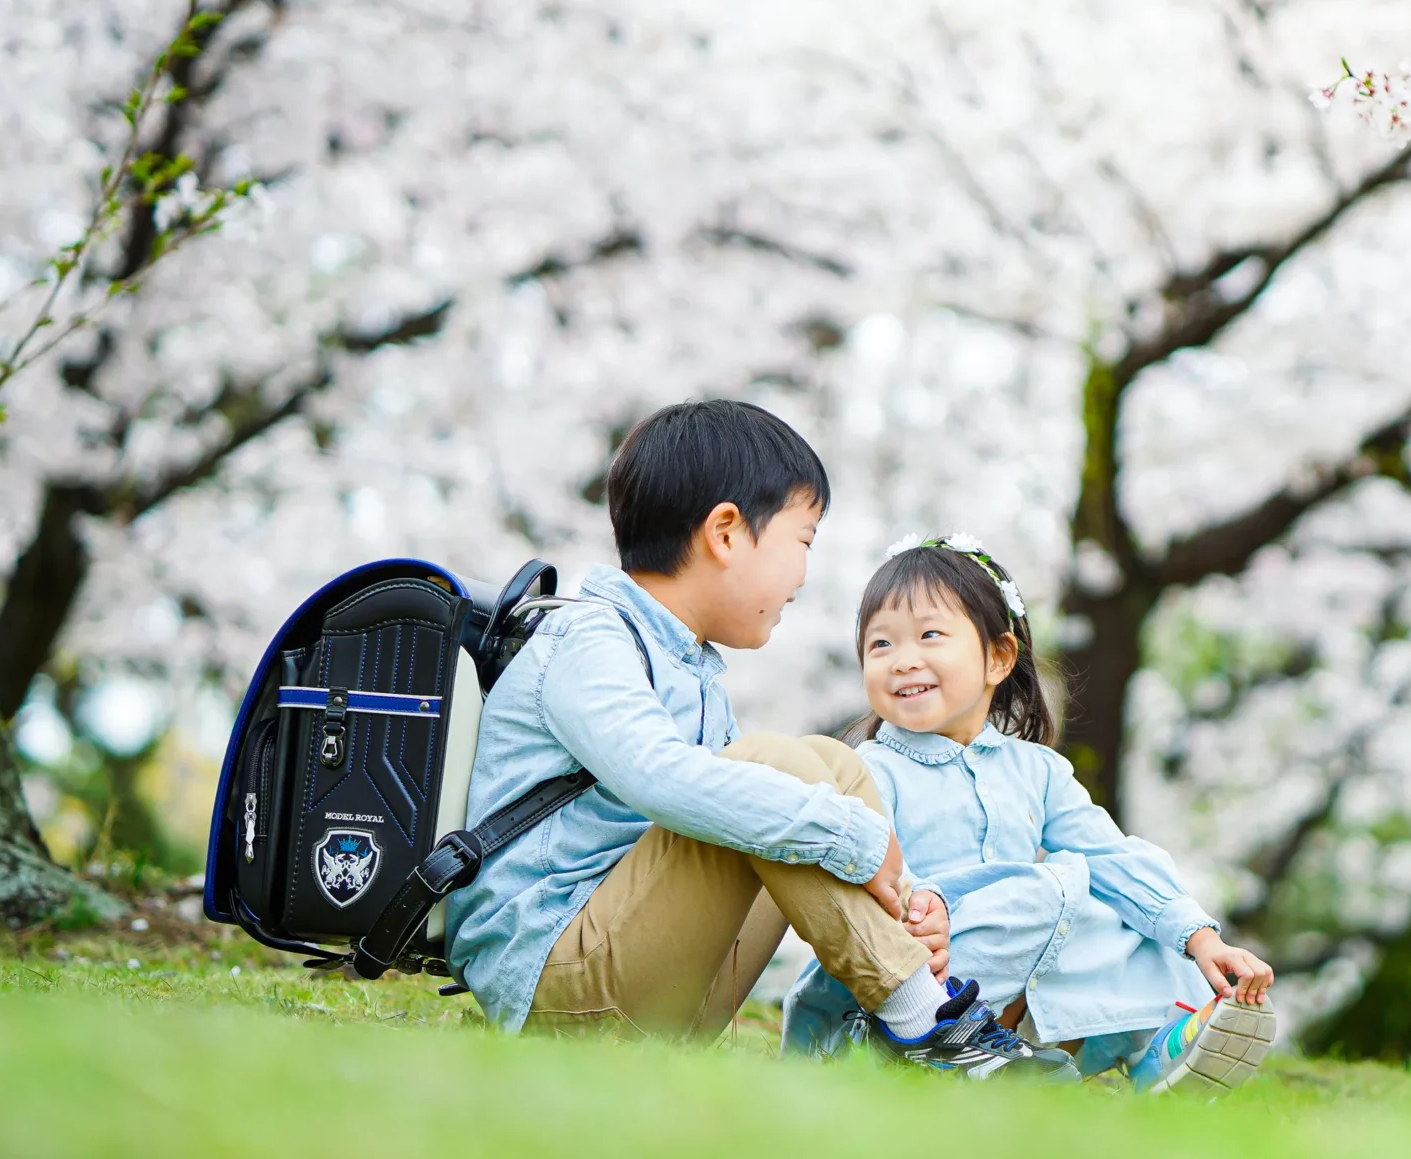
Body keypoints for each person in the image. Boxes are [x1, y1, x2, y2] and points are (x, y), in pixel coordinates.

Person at [444, 401, 1073, 1079]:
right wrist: (856, 838)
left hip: (653, 984)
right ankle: (930, 1033)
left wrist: (910, 899)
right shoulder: (588, 641)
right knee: (773, 770)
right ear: (725, 532)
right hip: (555, 985)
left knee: (827, 762)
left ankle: (906, 1015)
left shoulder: (689, 665)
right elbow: (662, 778)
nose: (805, 574)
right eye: (802, 542)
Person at [783, 534, 1278, 1094]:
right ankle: (903, 1050)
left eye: (929, 635)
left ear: (998, 657)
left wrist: (1200, 938)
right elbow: (862, 873)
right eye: (880, 645)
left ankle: (1153, 1052)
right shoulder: (869, 769)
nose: (904, 661)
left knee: (1124, 899)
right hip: (917, 971)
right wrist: (920, 908)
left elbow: (1109, 853)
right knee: (1055, 890)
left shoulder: (1037, 770)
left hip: (1004, 964)